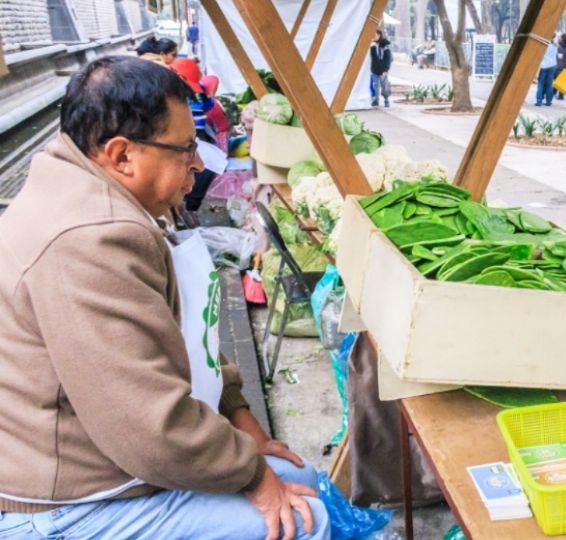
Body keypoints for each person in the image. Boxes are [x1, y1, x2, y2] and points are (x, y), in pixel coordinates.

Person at [0, 56, 329, 539]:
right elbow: (149, 428)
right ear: (121, 155)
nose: (197, 163)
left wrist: (245, 427)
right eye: (184, 149)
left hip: (106, 460)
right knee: (304, 521)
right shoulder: (92, 240)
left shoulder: (89, 184)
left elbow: (187, 334)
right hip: (67, 501)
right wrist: (255, 479)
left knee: (299, 478)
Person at [170, 57, 218, 214]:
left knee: (206, 169)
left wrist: (209, 94)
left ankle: (190, 206)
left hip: (196, 135)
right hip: (184, 137)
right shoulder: (168, 99)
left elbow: (207, 105)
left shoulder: (194, 96)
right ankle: (187, 204)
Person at [370, 30, 393, 107]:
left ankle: (386, 100)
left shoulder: (385, 45)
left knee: (384, 85)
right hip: (375, 69)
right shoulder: (372, 45)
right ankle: (376, 100)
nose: (374, 36)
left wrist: (386, 69)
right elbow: (373, 57)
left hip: (383, 69)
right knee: (376, 85)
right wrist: (372, 46)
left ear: (379, 35)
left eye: (376, 35)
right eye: (373, 35)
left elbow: (388, 58)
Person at [536, 38, 559, 106]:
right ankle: (548, 101)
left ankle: (539, 101)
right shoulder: (555, 45)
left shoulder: (543, 45)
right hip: (552, 66)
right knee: (549, 84)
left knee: (540, 83)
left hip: (543, 66)